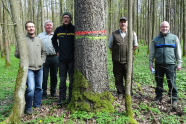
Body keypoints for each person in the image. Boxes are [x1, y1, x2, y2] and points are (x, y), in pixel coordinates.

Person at [15, 21, 46, 114]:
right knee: (31, 88)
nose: (31, 28)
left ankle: (37, 104)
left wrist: (42, 61)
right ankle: (28, 107)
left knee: (39, 87)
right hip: (29, 69)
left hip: (39, 68)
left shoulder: (39, 40)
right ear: (26, 29)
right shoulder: (22, 41)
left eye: (32, 26)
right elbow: (16, 54)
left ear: (35, 28)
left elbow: (44, 52)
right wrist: (22, 56)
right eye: (29, 27)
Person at [149, 21, 182, 108]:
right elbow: (152, 53)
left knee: (171, 82)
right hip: (158, 64)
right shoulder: (155, 39)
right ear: (160, 28)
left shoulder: (174, 38)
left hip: (170, 64)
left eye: (166, 27)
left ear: (169, 28)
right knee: (159, 81)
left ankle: (173, 98)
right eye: (163, 27)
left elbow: (178, 52)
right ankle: (158, 97)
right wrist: (150, 63)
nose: (165, 28)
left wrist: (179, 63)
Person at [108, 17, 138, 99]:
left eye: (124, 22)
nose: (123, 24)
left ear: (127, 24)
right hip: (117, 61)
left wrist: (129, 53)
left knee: (129, 77)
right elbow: (110, 46)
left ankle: (128, 92)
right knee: (118, 78)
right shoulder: (114, 34)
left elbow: (135, 45)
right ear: (119, 23)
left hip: (128, 61)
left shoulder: (132, 33)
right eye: (121, 22)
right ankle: (120, 93)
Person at [52, 12, 75, 105]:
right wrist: (57, 50)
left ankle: (71, 97)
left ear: (70, 19)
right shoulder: (58, 29)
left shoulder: (74, 29)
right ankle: (62, 98)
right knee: (62, 80)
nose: (66, 19)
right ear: (62, 19)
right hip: (61, 59)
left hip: (72, 59)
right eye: (64, 17)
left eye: (68, 17)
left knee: (72, 80)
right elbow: (53, 40)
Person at [38, 20, 59, 99]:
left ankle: (53, 92)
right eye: (47, 25)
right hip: (44, 58)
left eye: (50, 25)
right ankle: (44, 93)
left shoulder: (56, 35)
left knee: (54, 76)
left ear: (52, 26)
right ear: (44, 27)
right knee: (44, 76)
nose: (49, 26)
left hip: (55, 58)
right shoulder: (40, 36)